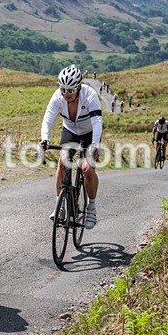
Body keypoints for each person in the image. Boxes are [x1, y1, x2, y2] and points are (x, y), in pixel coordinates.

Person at [40, 65, 102, 229]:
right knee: (62, 162)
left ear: (79, 86)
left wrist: (95, 145)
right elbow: (48, 118)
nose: (66, 94)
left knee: (87, 169)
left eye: (71, 90)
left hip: (89, 132)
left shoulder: (90, 95)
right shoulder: (57, 97)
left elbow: (97, 122)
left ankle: (92, 207)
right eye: (63, 89)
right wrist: (44, 139)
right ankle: (59, 206)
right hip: (70, 130)